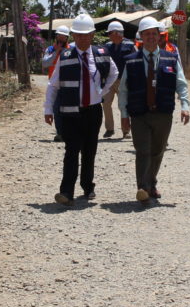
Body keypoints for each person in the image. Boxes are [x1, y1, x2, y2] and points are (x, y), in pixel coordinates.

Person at [44, 14, 118, 206]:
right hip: (70, 112)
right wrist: (48, 109)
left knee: (90, 151)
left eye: (86, 34)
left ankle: (88, 187)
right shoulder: (65, 56)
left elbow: (114, 73)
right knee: (71, 151)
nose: (83, 38)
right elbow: (53, 85)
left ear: (93, 35)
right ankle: (66, 192)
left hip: (93, 111)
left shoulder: (101, 53)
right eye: (78, 35)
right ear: (73, 36)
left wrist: (103, 91)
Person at [118, 16, 190, 204]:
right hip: (139, 114)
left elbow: (181, 84)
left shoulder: (171, 58)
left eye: (154, 34)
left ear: (159, 36)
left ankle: (151, 183)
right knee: (142, 150)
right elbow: (123, 90)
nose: (150, 37)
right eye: (147, 34)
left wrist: (185, 106)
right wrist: (124, 115)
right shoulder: (131, 61)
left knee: (157, 151)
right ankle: (142, 188)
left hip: (163, 114)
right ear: (141, 36)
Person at [101, 21, 136, 139]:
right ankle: (109, 129)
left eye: (110, 33)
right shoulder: (107, 46)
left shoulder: (130, 46)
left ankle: (126, 131)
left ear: (117, 33)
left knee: (124, 106)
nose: (109, 35)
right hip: (109, 81)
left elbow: (135, 63)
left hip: (124, 81)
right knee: (106, 104)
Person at [42, 26, 70, 142]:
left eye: (63, 36)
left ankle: (69, 132)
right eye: (59, 36)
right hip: (54, 85)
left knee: (69, 109)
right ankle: (60, 133)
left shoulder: (72, 49)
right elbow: (45, 63)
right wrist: (57, 52)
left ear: (67, 38)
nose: (61, 38)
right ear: (56, 37)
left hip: (69, 84)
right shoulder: (50, 49)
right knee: (56, 108)